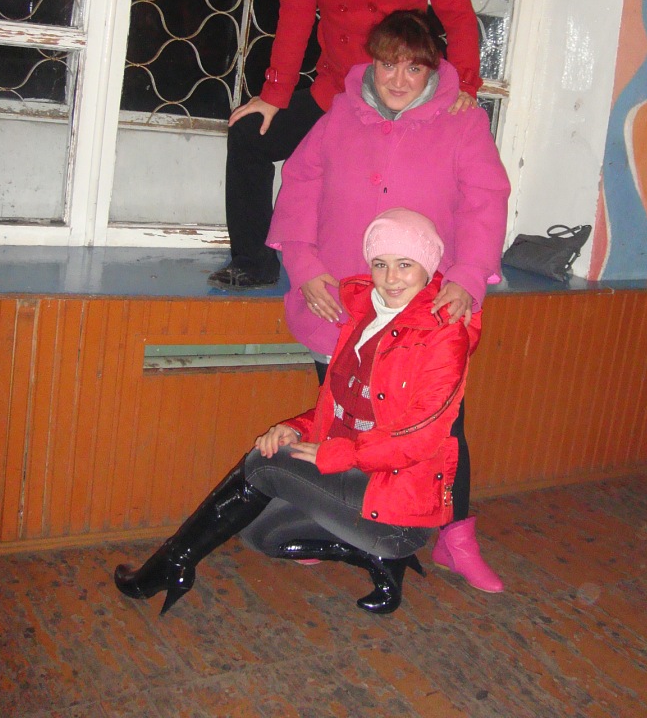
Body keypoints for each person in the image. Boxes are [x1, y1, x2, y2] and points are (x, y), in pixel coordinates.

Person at [114, 209, 478, 615]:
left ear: (427, 266)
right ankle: (377, 559)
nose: (391, 278)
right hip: (359, 481)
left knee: (264, 465)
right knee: (259, 532)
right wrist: (295, 429)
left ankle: (172, 565)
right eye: (380, 264)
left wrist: (338, 454)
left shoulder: (444, 334)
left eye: (405, 264)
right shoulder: (368, 317)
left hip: (398, 507)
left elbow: (420, 437)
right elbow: (344, 407)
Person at [267, 9, 511, 593]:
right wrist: (304, 267)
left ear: (431, 69)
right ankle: (328, 522)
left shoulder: (462, 122)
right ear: (371, 64)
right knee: (339, 417)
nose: (398, 79)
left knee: (441, 432)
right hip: (342, 305)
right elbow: (299, 184)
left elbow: (486, 200)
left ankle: (455, 538)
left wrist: (468, 276)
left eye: (413, 67)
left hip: (426, 311)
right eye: (387, 65)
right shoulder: (339, 116)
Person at [209, 0, 481, 290]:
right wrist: (274, 95)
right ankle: (253, 262)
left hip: (394, 96)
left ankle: (408, 274)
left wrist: (467, 86)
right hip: (335, 89)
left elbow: (457, 13)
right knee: (249, 134)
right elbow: (296, 10)